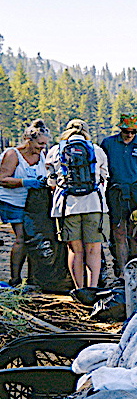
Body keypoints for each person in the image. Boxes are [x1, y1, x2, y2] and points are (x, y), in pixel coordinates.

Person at [45, 119, 109, 289]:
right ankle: (93, 288)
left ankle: (79, 289)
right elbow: (103, 178)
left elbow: (51, 182)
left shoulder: (54, 151)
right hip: (94, 205)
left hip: (66, 206)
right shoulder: (96, 150)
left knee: (75, 250)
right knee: (94, 250)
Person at [100, 113, 137, 278]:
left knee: (136, 233)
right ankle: (122, 273)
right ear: (121, 129)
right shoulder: (108, 143)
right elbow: (100, 167)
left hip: (135, 192)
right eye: (127, 131)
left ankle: (136, 270)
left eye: (133, 132)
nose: (129, 135)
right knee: (118, 233)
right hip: (115, 191)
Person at [0, 119, 50, 286]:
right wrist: (26, 182)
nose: (42, 147)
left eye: (45, 144)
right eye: (39, 144)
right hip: (12, 202)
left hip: (33, 203)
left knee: (33, 238)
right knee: (21, 237)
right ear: (29, 140)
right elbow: (2, 179)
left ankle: (32, 278)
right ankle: (14, 279)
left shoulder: (41, 155)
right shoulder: (12, 154)